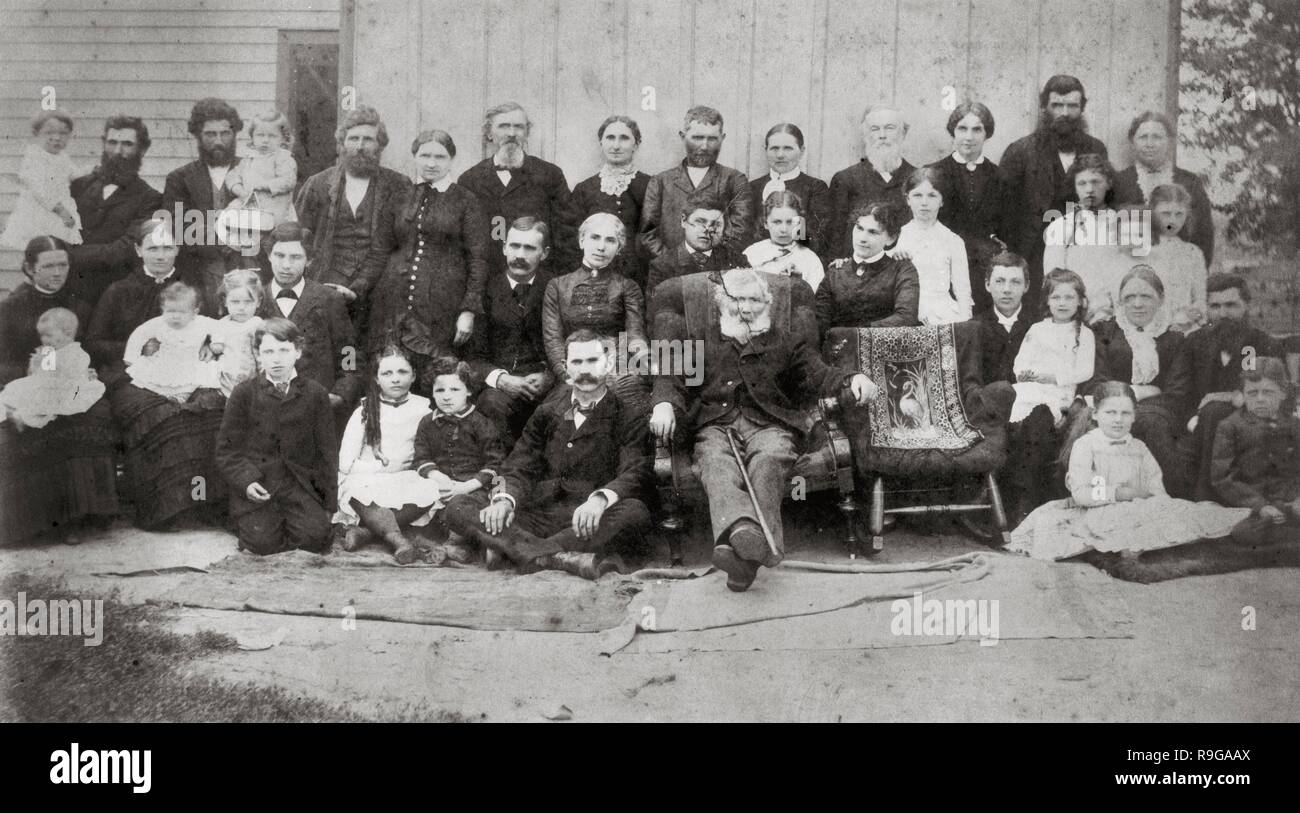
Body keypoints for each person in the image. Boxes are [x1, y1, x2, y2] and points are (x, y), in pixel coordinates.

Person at [649, 266, 879, 592]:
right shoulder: (697, 337)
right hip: (715, 424)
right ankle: (746, 535)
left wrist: (851, 377)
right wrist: (663, 404)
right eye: (736, 299)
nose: (744, 307)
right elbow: (668, 376)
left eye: (753, 300)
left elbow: (818, 373)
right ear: (721, 300)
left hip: (771, 424)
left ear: (767, 302)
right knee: (714, 463)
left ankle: (741, 548)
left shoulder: (785, 340)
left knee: (769, 459)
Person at [442, 329, 654, 579]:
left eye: (592, 361)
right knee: (458, 506)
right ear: (565, 367)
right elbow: (516, 466)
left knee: (635, 512)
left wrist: (598, 501)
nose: (585, 370)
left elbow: (634, 472)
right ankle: (552, 557)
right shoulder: (547, 412)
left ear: (607, 364)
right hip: (538, 513)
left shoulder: (628, 416)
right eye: (577, 362)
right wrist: (503, 499)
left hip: (586, 519)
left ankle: (511, 549)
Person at [1006, 381, 1248, 561]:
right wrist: (1119, 493)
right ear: (1096, 414)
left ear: (1134, 416)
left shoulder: (1139, 447)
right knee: (1106, 525)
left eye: (1125, 413)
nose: (1118, 420)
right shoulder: (1087, 446)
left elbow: (1155, 487)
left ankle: (1153, 541)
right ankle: (1132, 546)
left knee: (1185, 515)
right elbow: (1082, 494)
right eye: (1111, 413)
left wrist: (1157, 504)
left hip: (1137, 506)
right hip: (1097, 508)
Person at [0, 237, 119, 545]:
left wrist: (89, 370)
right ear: (29, 268)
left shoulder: (81, 301)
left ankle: (80, 517)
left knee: (88, 416)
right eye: (48, 266)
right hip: (28, 382)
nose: (57, 272)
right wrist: (27, 372)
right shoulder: (11, 307)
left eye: (63, 264)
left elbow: (93, 347)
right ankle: (33, 523)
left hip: (72, 383)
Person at [368, 129, 489, 389]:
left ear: (451, 159)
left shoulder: (465, 200)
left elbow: (478, 258)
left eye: (440, 156)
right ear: (414, 156)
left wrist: (468, 310)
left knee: (437, 376)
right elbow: (379, 250)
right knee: (395, 374)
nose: (431, 163)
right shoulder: (399, 196)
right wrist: (356, 290)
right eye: (425, 155)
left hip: (442, 307)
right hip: (394, 303)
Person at [333, 350, 478, 564]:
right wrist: (380, 468)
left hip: (407, 477)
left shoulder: (424, 408)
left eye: (402, 371)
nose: (396, 378)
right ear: (376, 378)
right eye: (387, 373)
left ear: (414, 376)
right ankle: (400, 542)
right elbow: (345, 463)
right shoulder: (365, 410)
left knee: (433, 489)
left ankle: (367, 532)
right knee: (357, 491)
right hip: (366, 477)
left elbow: (430, 452)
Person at [216, 317, 337, 555]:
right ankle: (257, 526)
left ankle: (296, 523)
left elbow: (327, 451)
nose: (276, 358)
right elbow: (226, 450)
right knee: (262, 544)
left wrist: (328, 503)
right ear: (258, 355)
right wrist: (247, 481)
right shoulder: (244, 393)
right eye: (268, 351)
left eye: (284, 350)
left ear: (298, 352)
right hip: (259, 484)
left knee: (315, 539)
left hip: (298, 485)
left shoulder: (315, 393)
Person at [294, 106, 412, 336]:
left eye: (368, 140)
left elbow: (405, 242)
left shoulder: (398, 185)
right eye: (353, 139)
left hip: (380, 284)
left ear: (379, 145)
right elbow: (300, 234)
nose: (359, 146)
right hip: (327, 280)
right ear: (342, 144)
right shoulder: (318, 184)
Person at [1085, 266, 1192, 492]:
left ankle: (1171, 498)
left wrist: (1139, 403)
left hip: (1160, 411)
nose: (1137, 304)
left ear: (1161, 299)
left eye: (1146, 296)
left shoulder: (1174, 338)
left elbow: (1177, 392)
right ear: (1121, 301)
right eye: (1130, 297)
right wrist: (1143, 390)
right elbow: (1098, 381)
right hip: (1111, 406)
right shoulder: (1104, 332)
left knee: (1150, 423)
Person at [1001, 75, 1109, 299]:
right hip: (1032, 255)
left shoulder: (1096, 148)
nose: (1064, 113)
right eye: (1057, 105)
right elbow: (1006, 215)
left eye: (1072, 106)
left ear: (1082, 108)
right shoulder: (1020, 152)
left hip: (1083, 252)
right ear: (1044, 107)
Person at [1184, 272, 1282, 500]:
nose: (1223, 314)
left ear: (1246, 305)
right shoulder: (1194, 342)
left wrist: (1226, 396)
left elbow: (1264, 390)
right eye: (1215, 306)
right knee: (1211, 413)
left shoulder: (1260, 344)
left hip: (1251, 420)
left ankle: (1206, 496)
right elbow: (1181, 391)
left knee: (1215, 410)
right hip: (1200, 420)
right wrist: (1192, 418)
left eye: (1231, 305)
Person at [256, 221, 363, 427]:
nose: (286, 265)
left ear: (309, 260)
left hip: (317, 412)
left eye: (295, 257)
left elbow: (348, 352)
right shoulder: (254, 300)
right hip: (264, 413)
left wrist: (341, 392)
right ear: (269, 255)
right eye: (279, 255)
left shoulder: (329, 299)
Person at [457, 101, 578, 275]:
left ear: (527, 133)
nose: (512, 133)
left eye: (519, 127)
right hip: (489, 279)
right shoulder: (470, 180)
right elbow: (465, 242)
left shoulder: (550, 175)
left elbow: (567, 234)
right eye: (504, 126)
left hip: (539, 279)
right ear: (489, 134)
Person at [465, 217, 555, 447]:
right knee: (492, 403)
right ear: (504, 247)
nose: (520, 255)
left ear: (544, 253)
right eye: (514, 246)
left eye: (529, 248)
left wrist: (549, 377)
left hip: (546, 384)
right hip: (501, 386)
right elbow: (473, 357)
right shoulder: (485, 291)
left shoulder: (557, 288)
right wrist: (501, 379)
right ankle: (504, 474)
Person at [542, 213, 647, 409]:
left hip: (617, 368)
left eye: (610, 240)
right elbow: (552, 340)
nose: (601, 247)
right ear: (582, 240)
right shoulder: (557, 286)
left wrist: (621, 369)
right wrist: (568, 374)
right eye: (595, 237)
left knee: (627, 400)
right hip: (572, 367)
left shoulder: (627, 286)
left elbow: (634, 335)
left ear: (619, 248)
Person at [411, 356, 508, 564]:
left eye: (455, 390)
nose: (446, 397)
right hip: (441, 488)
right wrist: (436, 476)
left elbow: (495, 463)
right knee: (422, 506)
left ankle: (476, 544)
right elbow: (421, 457)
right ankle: (462, 544)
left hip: (474, 489)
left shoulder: (481, 423)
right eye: (440, 390)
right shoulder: (427, 423)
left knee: (462, 509)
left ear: (469, 391)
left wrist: (467, 486)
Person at [85, 220, 211, 378]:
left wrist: (207, 344)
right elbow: (94, 343)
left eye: (167, 248)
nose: (160, 256)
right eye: (153, 249)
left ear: (177, 249)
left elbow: (210, 328)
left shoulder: (191, 288)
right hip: (129, 373)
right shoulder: (119, 291)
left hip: (184, 370)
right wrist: (138, 347)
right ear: (138, 250)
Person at [66, 116, 164, 305]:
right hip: (70, 292)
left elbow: (124, 250)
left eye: (127, 144)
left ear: (142, 149)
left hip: (114, 298)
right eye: (112, 142)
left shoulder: (149, 199)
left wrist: (70, 255)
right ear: (104, 144)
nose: (118, 151)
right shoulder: (78, 187)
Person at [640, 105, 754, 259]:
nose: (705, 146)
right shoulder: (660, 182)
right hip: (671, 273)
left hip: (717, 272)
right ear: (682, 136)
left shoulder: (735, 180)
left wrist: (708, 263)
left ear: (723, 138)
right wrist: (672, 263)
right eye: (697, 138)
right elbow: (648, 234)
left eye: (712, 138)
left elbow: (740, 233)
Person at [163, 98, 247, 303]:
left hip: (245, 269)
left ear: (235, 134)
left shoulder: (251, 172)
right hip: (196, 273)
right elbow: (179, 228)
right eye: (210, 134)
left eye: (225, 133)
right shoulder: (179, 178)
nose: (218, 141)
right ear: (198, 136)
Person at [929, 102, 1009, 313]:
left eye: (977, 129)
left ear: (986, 133)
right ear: (953, 132)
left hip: (983, 268)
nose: (969, 137)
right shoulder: (934, 173)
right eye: (962, 129)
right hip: (941, 266)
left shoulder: (1000, 177)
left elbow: (1007, 228)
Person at [1212, 358, 1300, 545]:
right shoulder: (1231, 426)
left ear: (1283, 393)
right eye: (1252, 393)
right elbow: (1222, 478)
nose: (1260, 399)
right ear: (1242, 395)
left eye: (1268, 392)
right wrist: (1260, 506)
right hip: (1254, 503)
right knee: (1244, 532)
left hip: (1290, 499)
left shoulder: (1294, 425)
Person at [1113, 111, 1214, 266]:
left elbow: (1204, 235)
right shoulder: (1118, 182)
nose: (1149, 144)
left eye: (1157, 137)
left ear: (1170, 141)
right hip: (1131, 268)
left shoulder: (1190, 182)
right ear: (1132, 142)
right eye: (1143, 137)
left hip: (1178, 266)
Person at [1041, 154, 1128, 323]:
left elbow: (1128, 273)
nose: (1089, 189)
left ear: (1108, 183)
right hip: (1075, 313)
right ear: (1074, 187)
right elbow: (1053, 279)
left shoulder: (1124, 225)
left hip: (1116, 314)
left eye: (1096, 182)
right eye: (1082, 183)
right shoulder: (1061, 227)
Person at [816, 200, 920, 340]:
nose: (862, 238)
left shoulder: (902, 270)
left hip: (885, 350)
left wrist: (856, 334)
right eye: (859, 228)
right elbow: (820, 321)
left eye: (873, 232)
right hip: (841, 353)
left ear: (891, 238)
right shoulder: (835, 272)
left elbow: (906, 317)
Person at [569, 115, 652, 290]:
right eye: (610, 138)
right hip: (594, 278)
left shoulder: (651, 185)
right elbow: (573, 240)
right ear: (601, 143)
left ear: (636, 144)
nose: (616, 145)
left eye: (624, 138)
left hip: (639, 277)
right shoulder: (584, 189)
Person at [828, 104, 916, 259]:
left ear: (903, 133)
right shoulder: (845, 180)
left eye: (890, 128)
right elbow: (835, 240)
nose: (882, 135)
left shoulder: (918, 180)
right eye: (875, 129)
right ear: (865, 135)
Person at [1009, 268, 1095, 423]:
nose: (1062, 303)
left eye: (1069, 297)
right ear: (1047, 300)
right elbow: (1021, 361)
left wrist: (1054, 378)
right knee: (1015, 403)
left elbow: (1085, 371)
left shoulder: (1084, 334)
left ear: (1080, 301)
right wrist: (1023, 374)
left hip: (1060, 392)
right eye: (1056, 297)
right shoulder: (1037, 329)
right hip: (1032, 386)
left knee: (1041, 415)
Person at [0, 306, 103, 431]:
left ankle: (22, 416)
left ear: (68, 333)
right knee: (15, 388)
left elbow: (72, 376)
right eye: (42, 335)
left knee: (44, 403)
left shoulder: (77, 354)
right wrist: (36, 365)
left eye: (48, 335)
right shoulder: (50, 352)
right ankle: (13, 412)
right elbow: (39, 375)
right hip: (48, 385)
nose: (44, 339)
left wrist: (85, 376)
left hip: (65, 389)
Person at [891, 166, 971, 325]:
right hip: (902, 311)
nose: (924, 203)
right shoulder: (896, 237)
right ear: (908, 199)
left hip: (941, 315)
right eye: (917, 195)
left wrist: (965, 327)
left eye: (932, 195)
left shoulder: (953, 241)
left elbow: (963, 292)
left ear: (942, 201)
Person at [121, 281, 222, 402]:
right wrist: (131, 357)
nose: (175, 316)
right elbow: (139, 335)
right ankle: (162, 396)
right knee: (153, 381)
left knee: (197, 377)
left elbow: (220, 328)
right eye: (170, 311)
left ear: (195, 312)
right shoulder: (158, 323)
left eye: (182, 312)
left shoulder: (201, 323)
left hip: (190, 363)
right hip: (165, 363)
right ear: (163, 309)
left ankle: (182, 396)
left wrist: (215, 343)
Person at [748, 123, 831, 262]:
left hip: (800, 263)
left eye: (788, 148)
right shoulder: (753, 187)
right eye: (774, 148)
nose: (780, 155)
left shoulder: (815, 188)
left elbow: (817, 237)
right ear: (765, 150)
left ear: (802, 150)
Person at [0, 110, 82, 249]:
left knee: (57, 246)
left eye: (63, 133)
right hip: (40, 211)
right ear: (36, 134)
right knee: (39, 247)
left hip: (58, 211)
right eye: (49, 133)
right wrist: (62, 212)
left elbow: (73, 173)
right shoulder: (34, 158)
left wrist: (91, 171)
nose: (56, 138)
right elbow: (40, 191)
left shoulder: (62, 157)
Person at [646, 195, 750, 295]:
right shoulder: (662, 267)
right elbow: (659, 310)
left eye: (716, 224)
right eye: (700, 222)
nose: (707, 230)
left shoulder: (736, 261)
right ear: (684, 221)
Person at [1144, 183, 1207, 333]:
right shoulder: (1139, 250)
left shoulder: (1192, 253)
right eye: (1165, 214)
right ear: (1152, 213)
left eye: (1179, 214)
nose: (1173, 221)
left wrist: (1186, 319)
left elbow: (1200, 300)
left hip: (1183, 331)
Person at [224, 110, 298, 230]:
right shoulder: (249, 158)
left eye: (272, 136)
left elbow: (289, 180)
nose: (265, 140)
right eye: (260, 135)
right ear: (252, 137)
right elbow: (232, 176)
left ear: (283, 138)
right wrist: (239, 189)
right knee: (227, 220)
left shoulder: (283, 158)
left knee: (269, 232)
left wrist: (265, 185)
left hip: (273, 207)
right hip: (249, 202)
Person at [744, 189, 825, 292]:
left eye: (790, 222)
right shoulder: (751, 254)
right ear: (765, 223)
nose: (784, 229)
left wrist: (798, 284)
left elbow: (815, 300)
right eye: (777, 222)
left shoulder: (810, 260)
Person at [972, 251, 1032, 385]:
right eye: (999, 281)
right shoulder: (974, 327)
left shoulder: (1038, 325)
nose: (1007, 289)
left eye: (1015, 282)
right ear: (988, 285)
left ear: (1026, 286)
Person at [212, 269, 266, 397]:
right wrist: (215, 346)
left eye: (248, 302)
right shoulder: (222, 324)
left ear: (258, 302)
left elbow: (262, 357)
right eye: (235, 302)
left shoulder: (256, 325)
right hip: (224, 381)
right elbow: (216, 346)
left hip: (249, 380)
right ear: (225, 301)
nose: (241, 308)